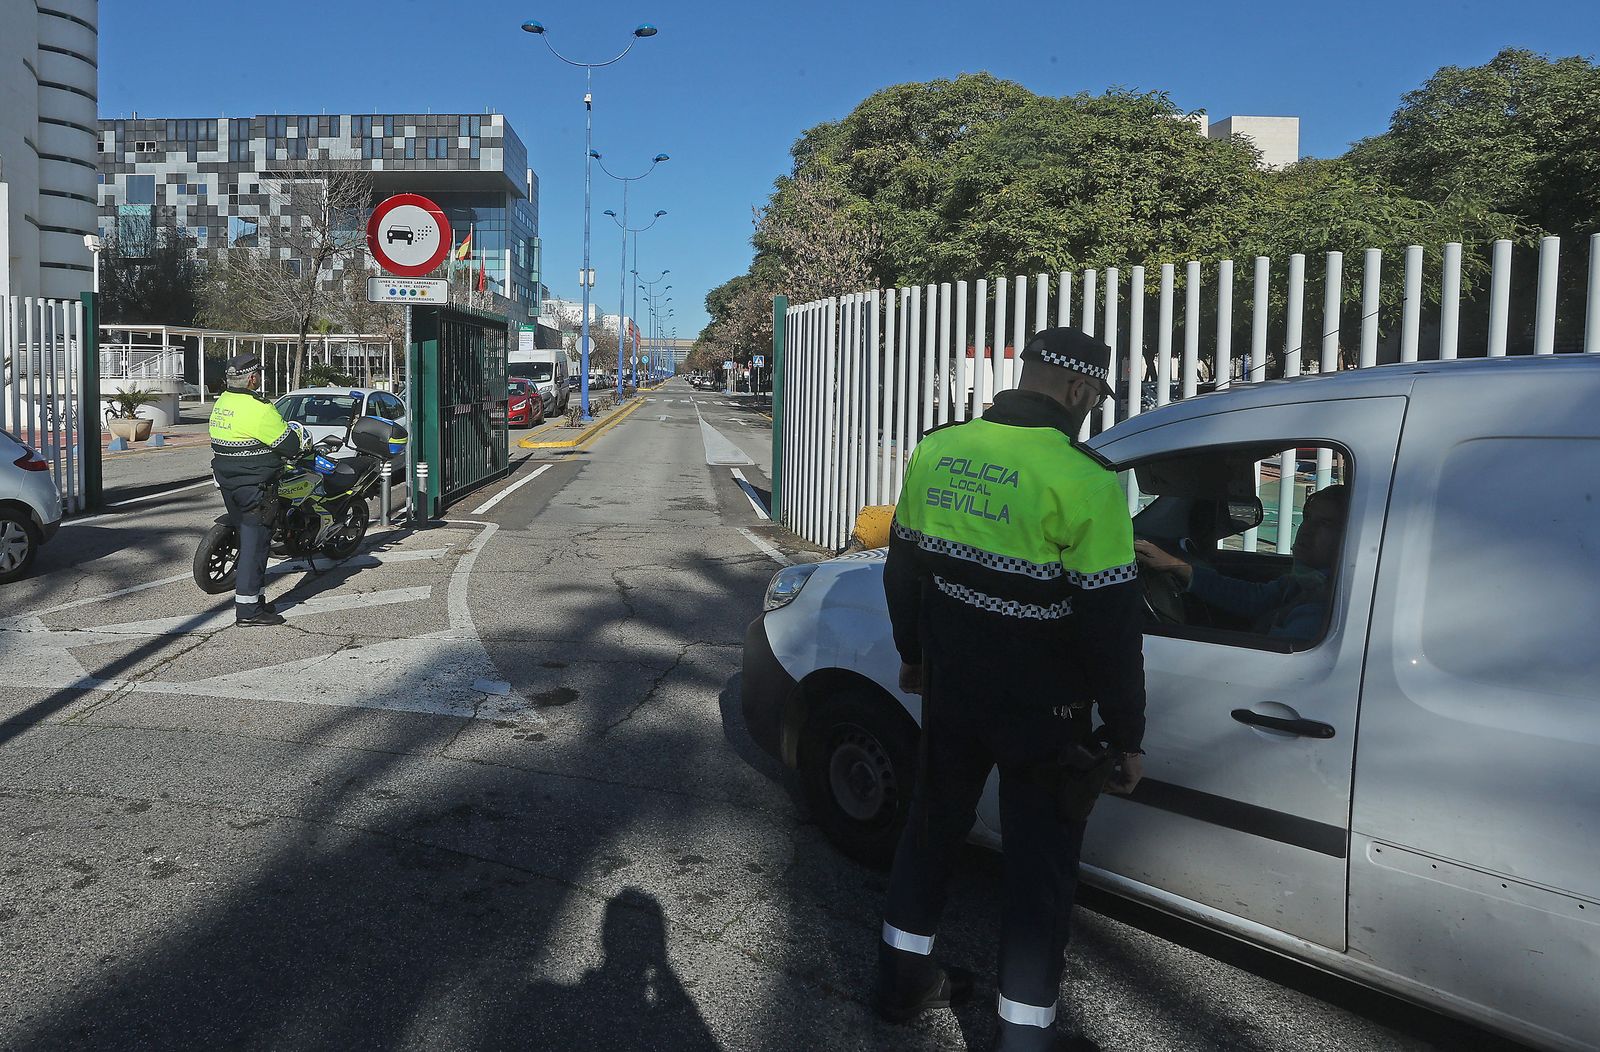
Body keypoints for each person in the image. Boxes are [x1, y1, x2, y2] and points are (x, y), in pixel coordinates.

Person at [878, 327, 1146, 1052]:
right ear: (1081, 391)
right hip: (1045, 716)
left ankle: (901, 984)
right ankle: (1022, 1038)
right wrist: (1126, 736)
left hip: (954, 693)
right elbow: (1112, 629)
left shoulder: (939, 448)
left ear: (1024, 375)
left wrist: (914, 656)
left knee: (931, 831)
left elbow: (902, 572)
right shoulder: (1087, 479)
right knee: (1038, 874)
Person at [1133, 484, 1348, 641]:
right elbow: (1253, 598)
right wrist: (1177, 566)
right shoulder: (1303, 583)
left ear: (1350, 535)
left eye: (1325, 523)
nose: (1306, 530)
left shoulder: (1324, 607)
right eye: (1307, 518)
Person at [208, 353, 303, 627]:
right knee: (255, 545)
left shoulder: (222, 403)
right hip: (255, 486)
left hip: (228, 483)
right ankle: (249, 611)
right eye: (258, 374)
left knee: (249, 538)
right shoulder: (259, 408)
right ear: (252, 378)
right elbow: (289, 446)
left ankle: (257, 600)